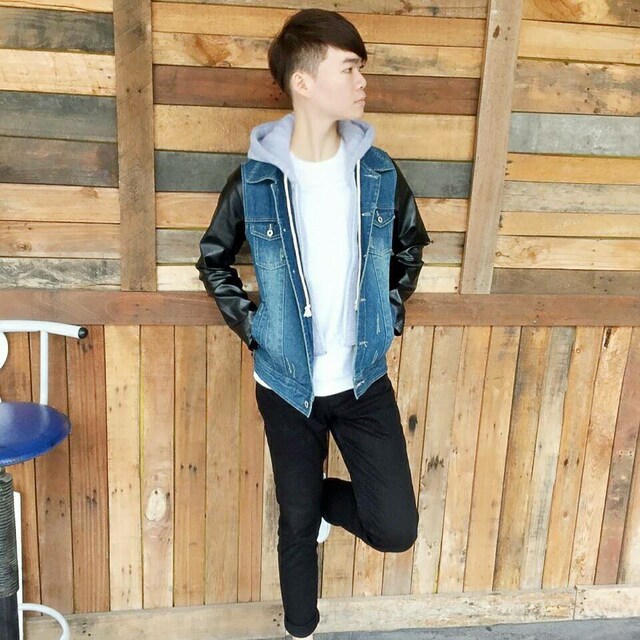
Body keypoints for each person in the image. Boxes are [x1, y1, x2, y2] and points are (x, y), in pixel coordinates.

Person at [196, 9, 431, 639]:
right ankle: (300, 629)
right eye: (348, 68)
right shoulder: (255, 181)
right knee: (296, 526)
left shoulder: (378, 172)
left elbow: (410, 247)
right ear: (303, 82)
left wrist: (388, 310)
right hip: (286, 385)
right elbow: (213, 259)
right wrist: (255, 330)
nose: (361, 80)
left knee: (395, 528)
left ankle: (316, 498)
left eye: (360, 68)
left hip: (362, 382)